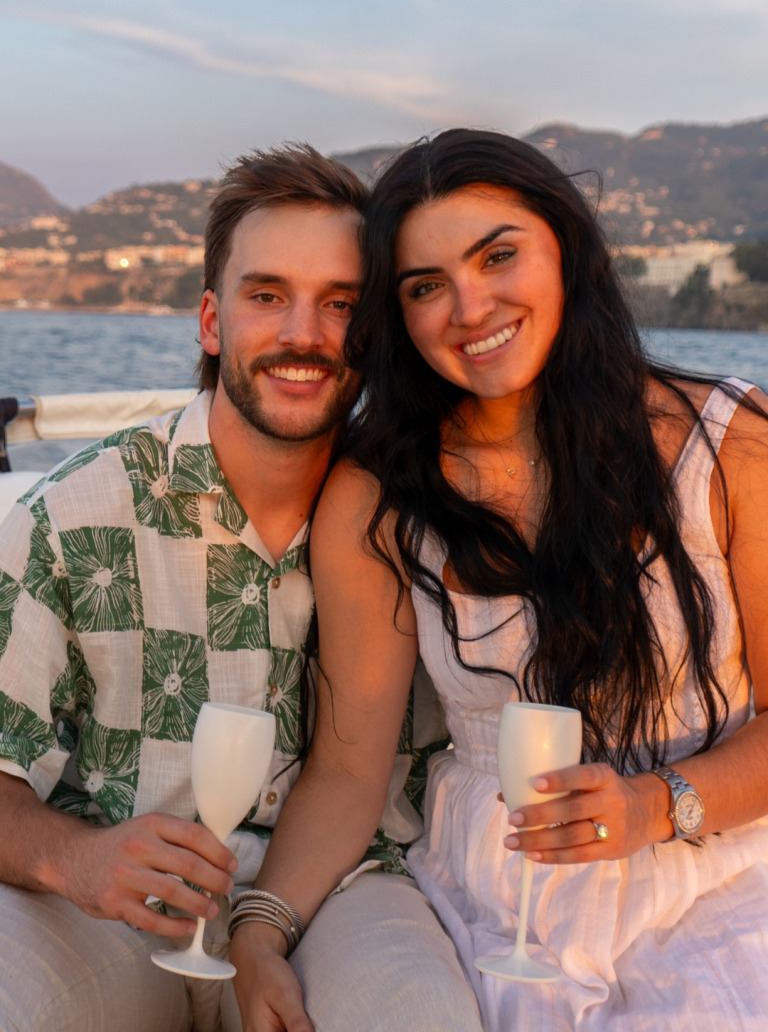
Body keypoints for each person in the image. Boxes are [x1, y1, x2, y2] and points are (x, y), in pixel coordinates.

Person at [249, 128, 768, 1031]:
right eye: (425, 287)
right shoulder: (380, 495)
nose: (470, 305)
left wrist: (657, 803)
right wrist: (258, 931)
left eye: (499, 256)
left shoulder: (727, 442)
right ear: (398, 316)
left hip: (717, 875)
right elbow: (346, 769)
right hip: (493, 899)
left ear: (563, 248)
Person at [0, 143, 481, 1032]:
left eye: (340, 304)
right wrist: (78, 860)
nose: (304, 333)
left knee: (421, 1019)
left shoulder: (419, 517)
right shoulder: (76, 514)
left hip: (349, 891)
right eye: (269, 296)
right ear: (212, 322)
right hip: (114, 901)